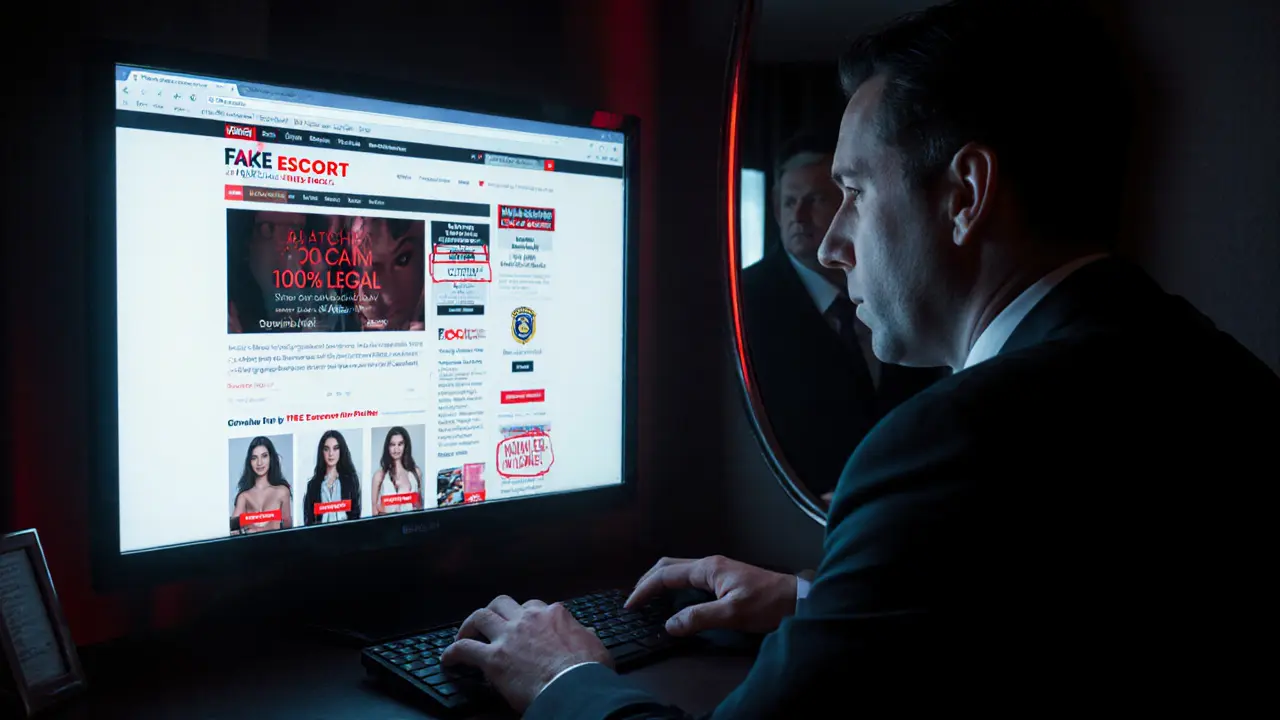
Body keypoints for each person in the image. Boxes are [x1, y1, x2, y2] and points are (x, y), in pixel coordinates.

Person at [439, 0, 1280, 715]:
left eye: (854, 192)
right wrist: (817, 602)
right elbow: (1040, 617)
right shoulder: (1200, 360)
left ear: (965, 196)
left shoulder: (952, 444)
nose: (833, 245)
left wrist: (564, 677)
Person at [742, 132, 946, 499]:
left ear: (848, 204)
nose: (798, 216)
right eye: (789, 203)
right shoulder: (746, 301)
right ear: (774, 208)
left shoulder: (897, 278)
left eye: (815, 200)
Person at [230, 436, 293, 534]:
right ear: (250, 462)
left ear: (271, 458)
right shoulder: (244, 496)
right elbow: (233, 531)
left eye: (264, 456)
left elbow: (288, 530)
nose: (259, 463)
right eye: (254, 458)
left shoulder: (282, 492)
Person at [302, 430, 363, 525]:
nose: (331, 454)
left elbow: (356, 514)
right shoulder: (313, 485)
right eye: (326, 449)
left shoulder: (351, 480)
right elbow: (309, 519)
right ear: (322, 452)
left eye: (335, 448)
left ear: (341, 450)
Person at [371, 427, 423, 514]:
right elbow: (374, 511)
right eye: (392, 444)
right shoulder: (379, 476)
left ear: (405, 446)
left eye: (400, 444)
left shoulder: (416, 473)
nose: (396, 449)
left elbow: (420, 507)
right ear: (387, 447)